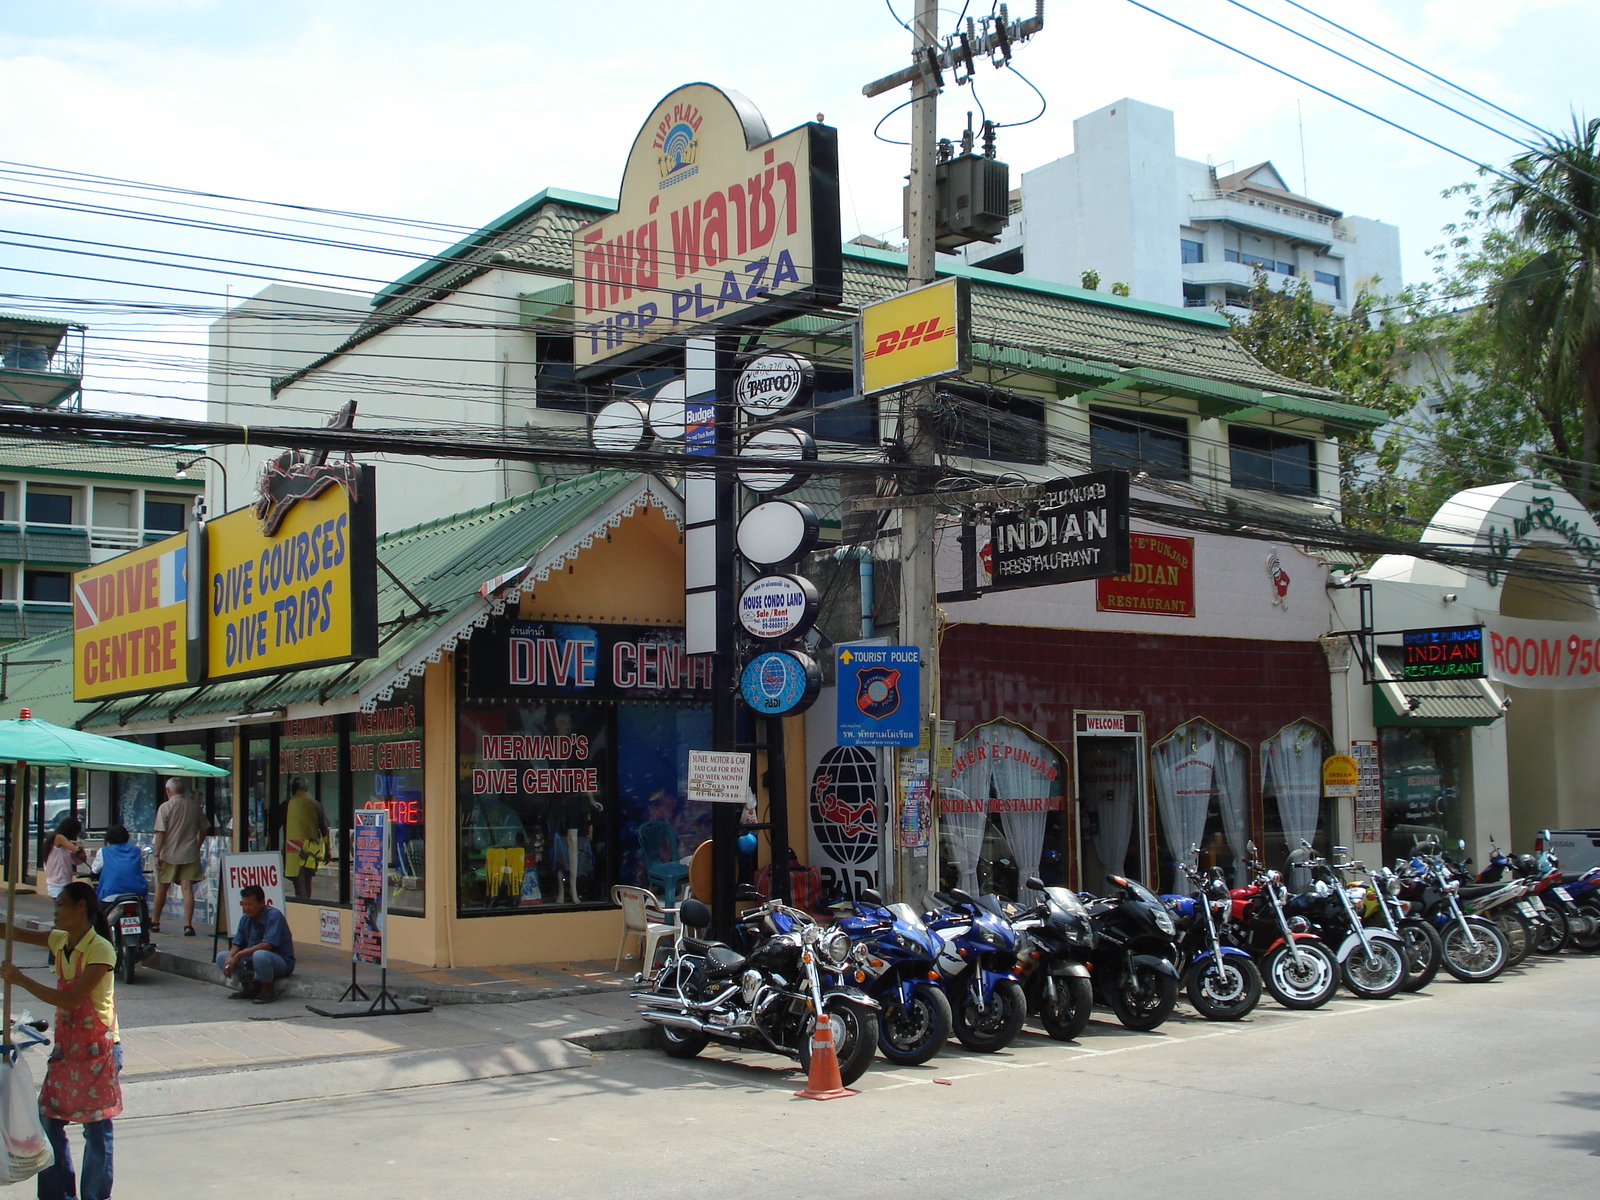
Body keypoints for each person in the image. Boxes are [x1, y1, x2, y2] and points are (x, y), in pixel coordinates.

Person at [0, 881, 122, 1200]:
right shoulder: (60, 940)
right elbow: (12, 932)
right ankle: (56, 1195)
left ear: (81, 907)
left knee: (96, 1129)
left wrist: (20, 979)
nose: (55, 911)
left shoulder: (100, 949)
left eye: (60, 905)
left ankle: (96, 1196)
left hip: (100, 1050)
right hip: (67, 1049)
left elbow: (70, 1000)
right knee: (51, 1122)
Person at [215, 885, 295, 1003]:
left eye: (250, 904)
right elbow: (237, 943)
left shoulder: (274, 916)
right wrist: (229, 958)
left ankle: (267, 990)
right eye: (244, 904)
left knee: (260, 955)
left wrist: (237, 956)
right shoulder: (245, 919)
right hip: (252, 960)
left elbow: (267, 945)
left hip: (279, 961)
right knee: (221, 956)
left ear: (262, 903)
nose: (247, 908)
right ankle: (249, 987)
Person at [152, 777, 210, 935]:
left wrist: (156, 855)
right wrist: (197, 845)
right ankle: (188, 925)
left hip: (168, 854)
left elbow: (160, 833)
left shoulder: (165, 807)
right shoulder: (194, 806)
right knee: (187, 888)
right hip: (189, 853)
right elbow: (204, 828)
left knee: (162, 888)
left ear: (168, 790)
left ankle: (155, 922)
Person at [283, 777, 329, 899]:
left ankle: (303, 902)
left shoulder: (288, 804)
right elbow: (324, 829)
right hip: (311, 848)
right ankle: (306, 901)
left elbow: (273, 826)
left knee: (298, 881)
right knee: (306, 879)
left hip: (293, 848)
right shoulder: (315, 804)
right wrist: (327, 849)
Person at [44, 815, 86, 899]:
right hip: (58, 884)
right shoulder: (58, 838)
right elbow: (76, 851)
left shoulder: (65, 848)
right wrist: (75, 846)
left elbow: (80, 860)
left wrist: (81, 848)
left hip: (65, 883)